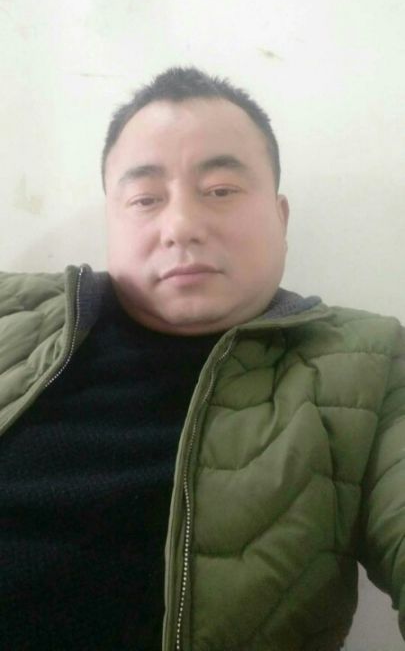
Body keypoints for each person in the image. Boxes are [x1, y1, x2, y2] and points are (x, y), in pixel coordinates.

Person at [0, 67, 404, 651]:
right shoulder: (11, 315)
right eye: (145, 199)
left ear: (281, 217)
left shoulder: (367, 364)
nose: (181, 226)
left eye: (220, 190)